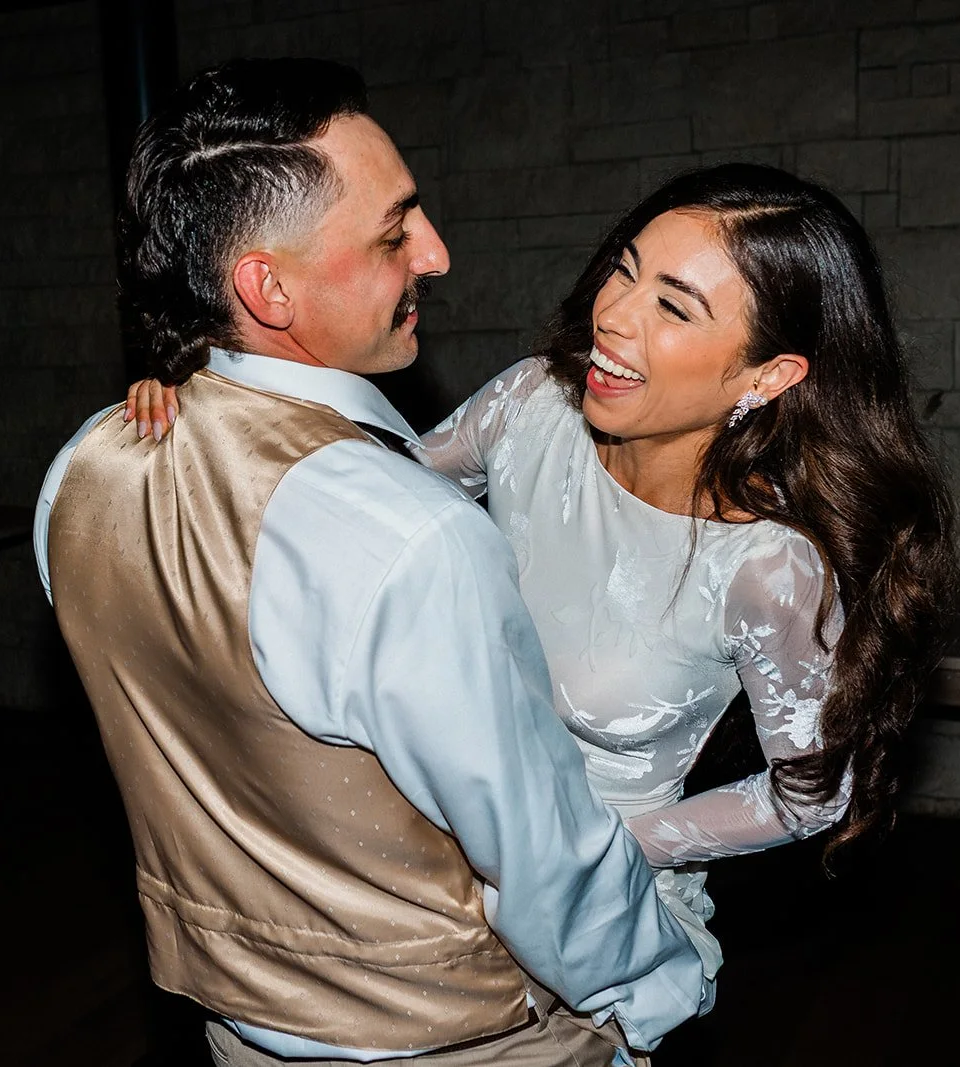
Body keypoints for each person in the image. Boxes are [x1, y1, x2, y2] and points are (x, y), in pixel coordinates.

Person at [35, 57, 708, 1067]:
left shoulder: (80, 471)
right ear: (267, 287)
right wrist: (662, 989)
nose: (435, 253)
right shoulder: (410, 537)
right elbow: (541, 861)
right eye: (394, 233)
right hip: (465, 1042)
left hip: (234, 1032)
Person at [129, 162, 960, 936]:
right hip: (421, 843)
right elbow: (363, 502)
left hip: (586, 908)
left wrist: (608, 848)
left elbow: (811, 797)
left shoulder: (768, 570)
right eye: (625, 270)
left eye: (674, 308)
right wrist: (223, 406)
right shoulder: (532, 405)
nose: (613, 314)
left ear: (768, 375)